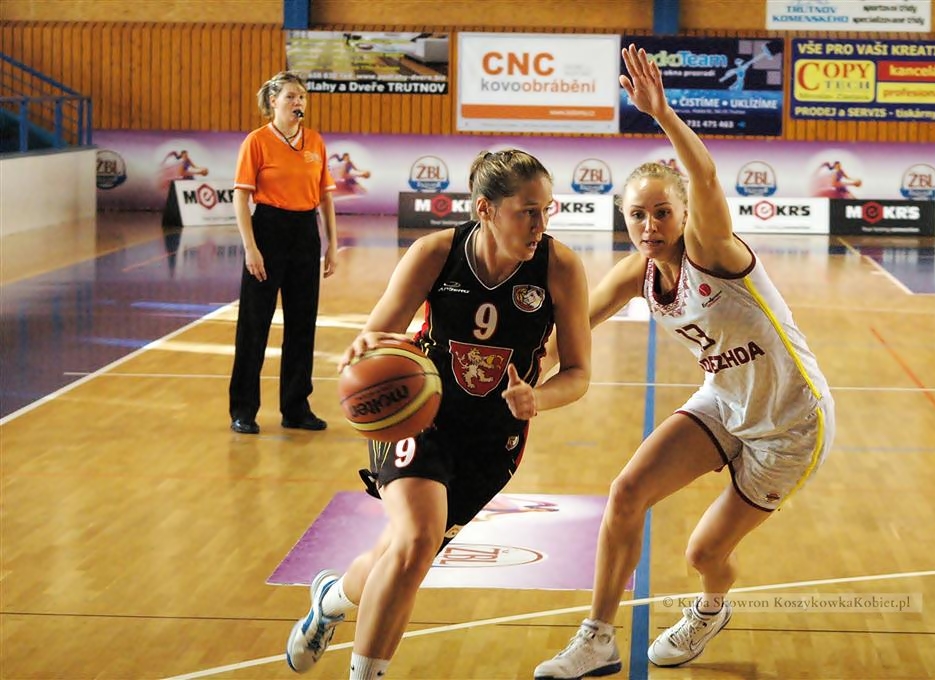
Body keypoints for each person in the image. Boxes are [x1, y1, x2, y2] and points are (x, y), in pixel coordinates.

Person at [533, 44, 835, 679]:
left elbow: (705, 176)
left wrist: (662, 114)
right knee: (626, 492)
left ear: (684, 214)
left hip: (790, 423)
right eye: (637, 215)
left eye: (662, 212)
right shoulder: (637, 272)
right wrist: (525, 370)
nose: (650, 225)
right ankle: (596, 638)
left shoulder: (712, 250)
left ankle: (710, 608)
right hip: (724, 400)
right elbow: (571, 329)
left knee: (703, 554)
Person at [284, 149, 592, 679]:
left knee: (400, 555)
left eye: (547, 210)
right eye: (528, 211)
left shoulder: (559, 267)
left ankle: (331, 599)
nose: (540, 224)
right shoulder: (435, 254)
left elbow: (579, 372)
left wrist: (538, 398)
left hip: (494, 439)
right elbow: (377, 333)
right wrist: (366, 349)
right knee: (417, 541)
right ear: (486, 209)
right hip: (419, 417)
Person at [228, 71, 338, 434]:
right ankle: (243, 409)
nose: (298, 102)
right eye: (291, 96)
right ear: (273, 101)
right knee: (254, 325)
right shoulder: (256, 141)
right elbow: (241, 197)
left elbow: (325, 198)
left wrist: (332, 245)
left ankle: (296, 407)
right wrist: (251, 248)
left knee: (302, 324)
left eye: (302, 96)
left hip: (305, 232)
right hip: (268, 230)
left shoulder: (315, 142)